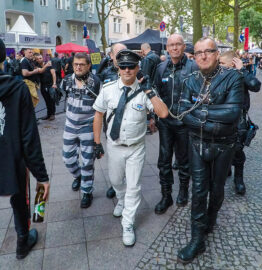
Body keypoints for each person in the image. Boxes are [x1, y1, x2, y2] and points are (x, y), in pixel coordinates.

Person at [177, 37, 243, 263]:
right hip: (196, 143)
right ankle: (197, 240)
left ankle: (211, 218)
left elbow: (233, 112)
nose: (203, 56)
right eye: (198, 53)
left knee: (216, 189)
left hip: (224, 146)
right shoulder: (190, 80)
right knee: (198, 191)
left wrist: (201, 112)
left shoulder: (232, 77)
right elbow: (183, 111)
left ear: (216, 54)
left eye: (208, 51)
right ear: (194, 57)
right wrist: (212, 116)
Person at [93, 49, 168, 247]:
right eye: (123, 66)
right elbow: (98, 115)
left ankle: (128, 223)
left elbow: (164, 113)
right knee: (116, 181)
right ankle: (120, 198)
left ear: (137, 68)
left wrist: (150, 91)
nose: (127, 70)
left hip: (136, 147)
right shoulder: (108, 89)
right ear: (118, 68)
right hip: (115, 146)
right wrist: (96, 142)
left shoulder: (145, 91)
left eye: (131, 66)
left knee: (133, 186)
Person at [0, 39, 50, 260]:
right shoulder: (18, 88)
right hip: (12, 157)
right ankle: (22, 240)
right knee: (20, 195)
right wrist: (42, 176)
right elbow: (29, 138)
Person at [153, 33, 197, 215]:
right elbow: (155, 91)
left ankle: (184, 190)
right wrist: (155, 116)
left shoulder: (193, 67)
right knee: (164, 160)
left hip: (185, 123)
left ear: (184, 46)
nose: (174, 48)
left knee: (184, 159)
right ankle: (166, 195)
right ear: (167, 48)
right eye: (171, 45)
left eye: (178, 44)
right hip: (165, 123)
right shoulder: (161, 67)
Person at [61, 52, 100, 208]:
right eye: (75, 64)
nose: (78, 67)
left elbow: (101, 108)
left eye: (81, 64)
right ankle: (78, 176)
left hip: (88, 127)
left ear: (88, 65)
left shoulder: (95, 82)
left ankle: (87, 191)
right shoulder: (67, 80)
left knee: (87, 162)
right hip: (70, 126)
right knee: (67, 158)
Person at [219, 51, 261, 195]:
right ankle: (227, 170)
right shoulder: (219, 75)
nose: (220, 66)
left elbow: (256, 85)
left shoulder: (241, 74)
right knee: (223, 148)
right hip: (223, 119)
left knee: (237, 150)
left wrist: (242, 70)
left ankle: (239, 179)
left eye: (222, 63)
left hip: (239, 121)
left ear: (232, 64)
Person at [97, 43, 127, 199]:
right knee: (113, 156)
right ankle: (115, 184)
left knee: (129, 156)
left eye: (124, 52)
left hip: (129, 123)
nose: (122, 56)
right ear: (112, 56)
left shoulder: (133, 71)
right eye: (119, 53)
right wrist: (101, 65)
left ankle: (127, 182)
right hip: (110, 123)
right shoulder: (106, 73)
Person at [36, 54, 57, 121]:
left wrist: (54, 83)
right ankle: (48, 114)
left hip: (50, 85)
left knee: (52, 100)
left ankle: (52, 114)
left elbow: (53, 74)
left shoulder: (49, 64)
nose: (40, 59)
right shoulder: (37, 66)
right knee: (46, 100)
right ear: (36, 60)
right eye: (38, 59)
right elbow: (40, 71)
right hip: (43, 85)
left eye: (40, 58)